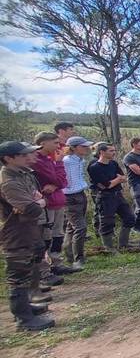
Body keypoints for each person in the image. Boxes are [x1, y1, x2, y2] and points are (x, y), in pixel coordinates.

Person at [0, 141, 55, 331]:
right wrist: (38, 202)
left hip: (27, 231)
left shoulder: (22, 176)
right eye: (23, 155)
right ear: (8, 159)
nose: (28, 158)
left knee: (28, 268)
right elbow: (32, 208)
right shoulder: (9, 182)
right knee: (18, 276)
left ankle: (27, 307)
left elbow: (39, 198)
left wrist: (38, 200)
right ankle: (23, 319)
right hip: (15, 234)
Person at [32, 132, 79, 277]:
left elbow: (63, 181)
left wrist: (55, 183)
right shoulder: (37, 161)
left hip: (58, 200)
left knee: (58, 235)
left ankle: (57, 263)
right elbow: (57, 179)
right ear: (43, 143)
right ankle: (44, 269)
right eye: (55, 143)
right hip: (46, 204)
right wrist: (58, 163)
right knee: (46, 237)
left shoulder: (49, 158)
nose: (58, 146)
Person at [88, 143, 136, 252]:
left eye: (114, 150)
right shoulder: (94, 167)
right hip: (105, 197)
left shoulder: (113, 163)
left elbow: (124, 177)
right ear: (102, 152)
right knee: (107, 222)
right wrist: (117, 180)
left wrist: (115, 181)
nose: (114, 153)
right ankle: (108, 248)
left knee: (129, 218)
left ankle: (123, 244)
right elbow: (105, 186)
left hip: (118, 195)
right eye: (111, 151)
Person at [62, 136, 93, 270]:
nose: (86, 149)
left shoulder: (80, 160)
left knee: (71, 227)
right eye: (83, 146)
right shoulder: (67, 161)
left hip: (80, 194)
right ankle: (78, 259)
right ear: (73, 148)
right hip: (70, 197)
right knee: (80, 228)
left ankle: (69, 254)